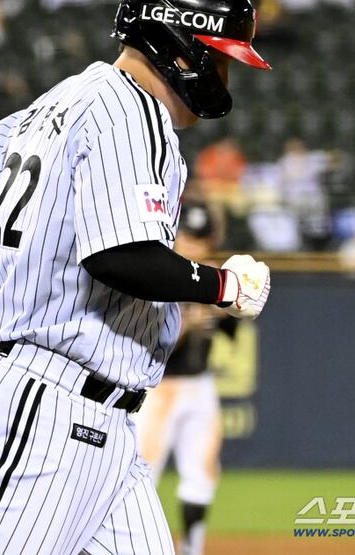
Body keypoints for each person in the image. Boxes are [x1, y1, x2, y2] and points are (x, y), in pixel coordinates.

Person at [0, 0, 272, 555]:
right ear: (181, 48)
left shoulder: (61, 101)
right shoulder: (134, 110)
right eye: (219, 59)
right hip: (43, 412)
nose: (222, 76)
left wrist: (28, 293)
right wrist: (223, 287)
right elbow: (121, 257)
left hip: (105, 428)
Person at [135, 200, 234, 555]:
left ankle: (193, 548)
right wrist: (189, 322)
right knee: (140, 475)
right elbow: (150, 342)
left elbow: (234, 331)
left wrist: (230, 307)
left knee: (201, 477)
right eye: (189, 237)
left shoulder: (211, 280)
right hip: (157, 388)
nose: (195, 246)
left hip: (199, 385)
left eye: (201, 239)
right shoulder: (160, 276)